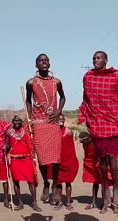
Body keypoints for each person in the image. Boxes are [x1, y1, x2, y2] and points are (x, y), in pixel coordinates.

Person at [79, 51, 118, 214]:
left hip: (112, 122)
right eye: (94, 58)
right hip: (97, 124)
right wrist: (85, 118)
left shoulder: (115, 76)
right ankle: (105, 196)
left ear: (106, 60)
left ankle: (115, 191)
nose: (95, 60)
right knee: (102, 161)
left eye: (98, 58)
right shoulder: (88, 77)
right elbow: (86, 99)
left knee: (112, 158)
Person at [26, 53, 66, 204]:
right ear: (36, 65)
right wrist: (30, 119)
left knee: (55, 157)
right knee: (42, 158)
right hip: (38, 123)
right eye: (41, 61)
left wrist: (59, 111)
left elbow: (63, 97)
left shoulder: (57, 82)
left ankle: (55, 184)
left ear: (49, 64)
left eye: (46, 60)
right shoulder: (31, 82)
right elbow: (28, 100)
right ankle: (46, 183)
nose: (44, 62)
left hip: (52, 121)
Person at [5, 115, 42, 212]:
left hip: (26, 159)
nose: (17, 122)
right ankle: (20, 203)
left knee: (31, 181)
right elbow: (8, 145)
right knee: (16, 182)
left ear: (21, 122)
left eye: (19, 120)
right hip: (15, 160)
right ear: (12, 122)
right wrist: (5, 147)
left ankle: (34, 203)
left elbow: (33, 131)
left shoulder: (27, 130)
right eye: (15, 120)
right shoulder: (9, 132)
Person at [79, 132, 118, 210]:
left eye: (84, 140)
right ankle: (95, 202)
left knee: (106, 182)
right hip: (93, 163)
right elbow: (87, 154)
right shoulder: (86, 143)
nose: (84, 142)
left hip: (104, 162)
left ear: (89, 137)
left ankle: (108, 202)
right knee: (95, 182)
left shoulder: (97, 140)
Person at [47, 114, 78, 210]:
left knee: (68, 182)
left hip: (67, 161)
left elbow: (71, 148)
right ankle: (60, 202)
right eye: (59, 119)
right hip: (57, 161)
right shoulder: (52, 132)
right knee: (59, 182)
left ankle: (68, 202)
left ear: (64, 120)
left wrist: (72, 161)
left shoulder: (68, 132)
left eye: (62, 119)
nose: (61, 120)